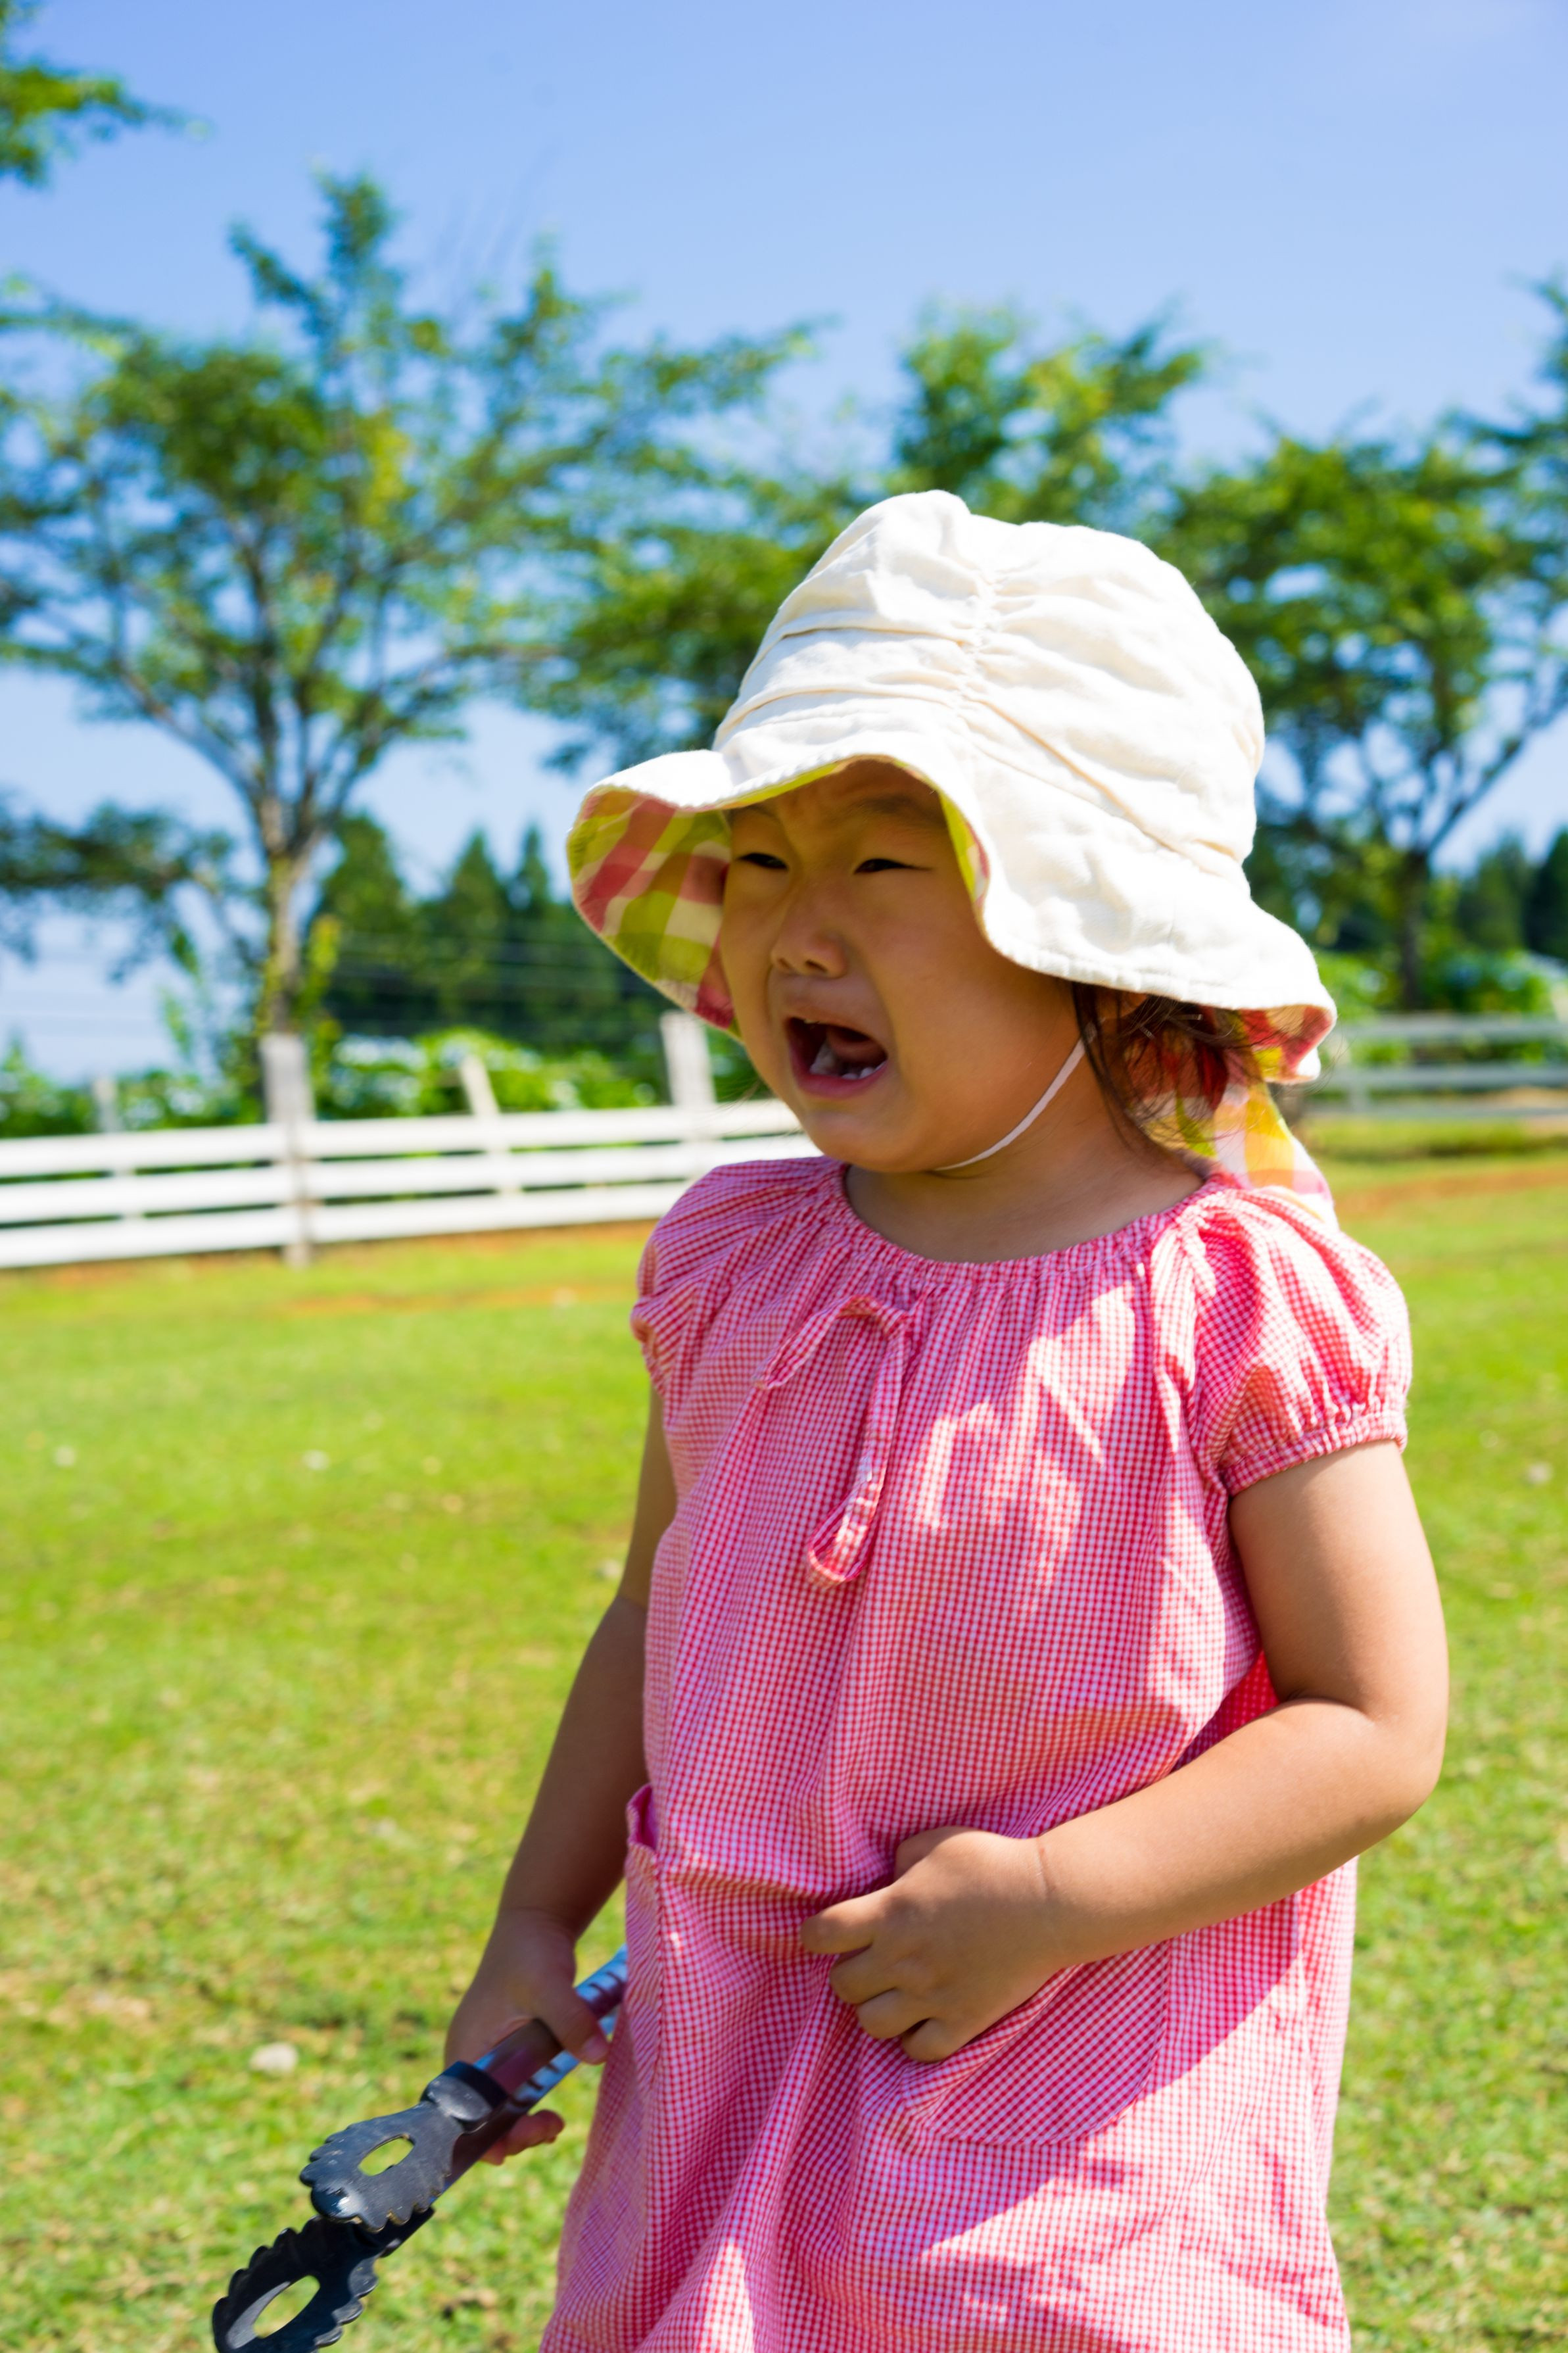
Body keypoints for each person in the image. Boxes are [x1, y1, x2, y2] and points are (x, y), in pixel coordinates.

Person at [446, 493, 1447, 2350]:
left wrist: (1057, 1895)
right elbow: (654, 1608)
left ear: (1093, 938)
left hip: (1080, 2085)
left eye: (888, 863)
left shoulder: (1238, 1296)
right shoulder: (729, 1262)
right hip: (732, 2055)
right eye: (757, 861)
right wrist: (531, 1919)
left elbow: (1374, 1724)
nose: (794, 932)